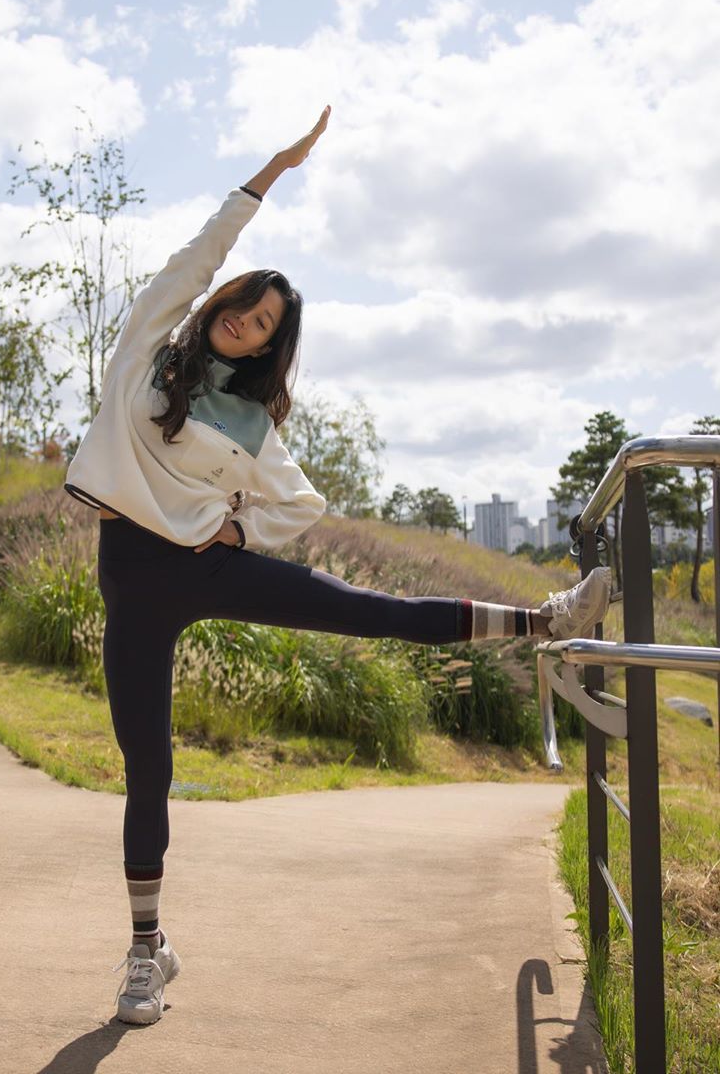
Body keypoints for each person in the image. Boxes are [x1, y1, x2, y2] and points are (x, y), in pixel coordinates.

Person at [62, 105, 611, 1025]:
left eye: (266, 325)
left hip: (204, 567)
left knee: (371, 610)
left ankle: (546, 621)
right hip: (134, 582)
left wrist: (238, 533)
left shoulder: (249, 423)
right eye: (244, 307)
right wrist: (270, 173)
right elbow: (196, 255)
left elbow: (301, 507)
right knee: (146, 770)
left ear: (272, 343)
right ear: (223, 304)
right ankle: (147, 952)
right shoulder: (150, 349)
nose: (246, 323)